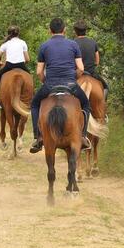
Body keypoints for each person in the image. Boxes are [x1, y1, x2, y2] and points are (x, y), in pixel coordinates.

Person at [30, 18, 91, 153]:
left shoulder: (44, 46)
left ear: (50, 31)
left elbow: (39, 71)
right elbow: (81, 68)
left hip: (50, 84)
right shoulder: (73, 45)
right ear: (64, 30)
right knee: (86, 104)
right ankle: (83, 136)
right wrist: (73, 78)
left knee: (34, 105)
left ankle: (38, 137)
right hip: (70, 84)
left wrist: (45, 81)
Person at [73, 19, 109, 100]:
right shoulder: (93, 42)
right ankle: (103, 105)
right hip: (91, 73)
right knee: (106, 87)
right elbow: (97, 61)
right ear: (86, 31)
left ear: (75, 31)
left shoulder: (72, 44)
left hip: (76, 75)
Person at [0, 26, 30, 101]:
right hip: (21, 65)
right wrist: (22, 63)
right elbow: (28, 59)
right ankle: (31, 98)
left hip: (9, 66)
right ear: (18, 34)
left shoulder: (5, 44)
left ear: (9, 34)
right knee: (30, 78)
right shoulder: (23, 43)